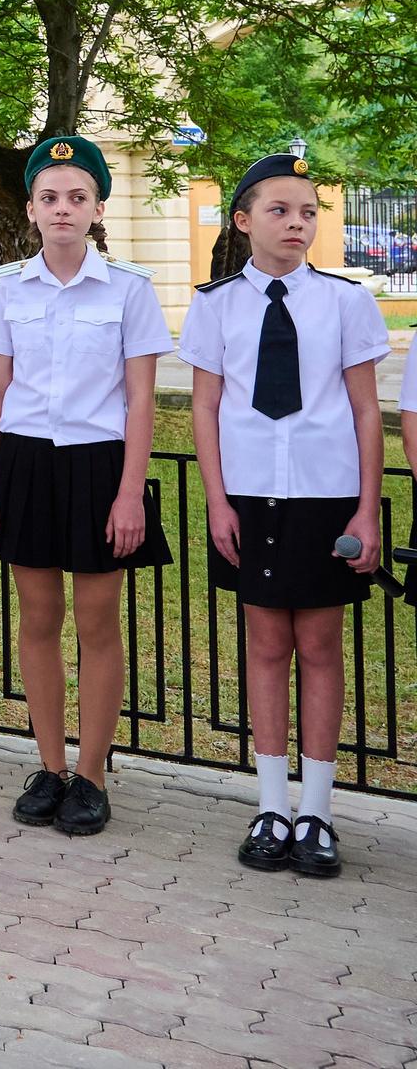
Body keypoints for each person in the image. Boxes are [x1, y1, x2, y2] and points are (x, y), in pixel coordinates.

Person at [180, 152, 386, 878]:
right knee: (265, 644)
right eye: (279, 209)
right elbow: (205, 406)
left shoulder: (345, 301)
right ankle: (271, 805)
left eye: (308, 211)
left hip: (325, 493)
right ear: (243, 219)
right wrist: (215, 501)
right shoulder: (216, 303)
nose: (297, 222)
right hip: (250, 494)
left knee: (322, 646)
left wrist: (366, 507)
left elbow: (366, 409)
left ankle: (319, 811)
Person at [0, 137, 175, 837]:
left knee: (96, 622)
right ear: (30, 209)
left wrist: (129, 493)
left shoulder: (130, 290)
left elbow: (141, 403)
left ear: (97, 208)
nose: (63, 209)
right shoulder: (5, 288)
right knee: (37, 619)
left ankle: (92, 773)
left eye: (77, 197)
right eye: (50, 197)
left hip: (98, 465)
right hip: (26, 464)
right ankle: (50, 765)